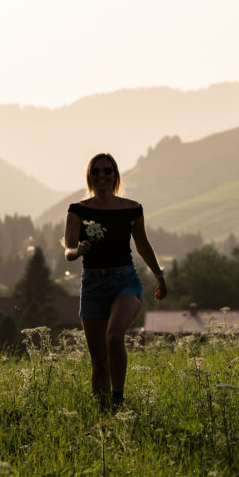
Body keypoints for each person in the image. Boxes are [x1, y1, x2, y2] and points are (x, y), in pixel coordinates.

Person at [63, 152, 167, 411]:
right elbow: (68, 251)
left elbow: (142, 245)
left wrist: (159, 276)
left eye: (107, 171)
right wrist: (79, 251)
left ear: (115, 176)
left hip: (125, 281)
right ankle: (103, 414)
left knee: (114, 335)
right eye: (96, 171)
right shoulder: (77, 210)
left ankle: (118, 399)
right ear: (90, 177)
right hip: (93, 285)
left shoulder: (132, 208)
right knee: (98, 362)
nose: (101, 176)